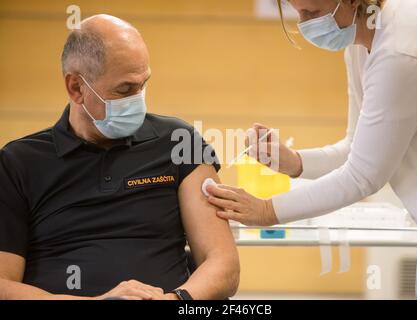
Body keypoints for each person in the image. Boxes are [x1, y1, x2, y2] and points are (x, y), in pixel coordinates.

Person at [206, 0, 417, 299]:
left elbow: (363, 178)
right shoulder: (362, 38)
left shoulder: (402, 51)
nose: (304, 24)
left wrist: (268, 210)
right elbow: (355, 148)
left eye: (312, 13)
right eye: (298, 13)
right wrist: (295, 163)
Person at [0, 14, 239, 300]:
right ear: (76, 87)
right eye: (125, 89)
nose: (138, 98)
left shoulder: (179, 142)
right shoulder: (18, 162)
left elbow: (223, 264)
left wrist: (175, 300)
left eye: (143, 84)